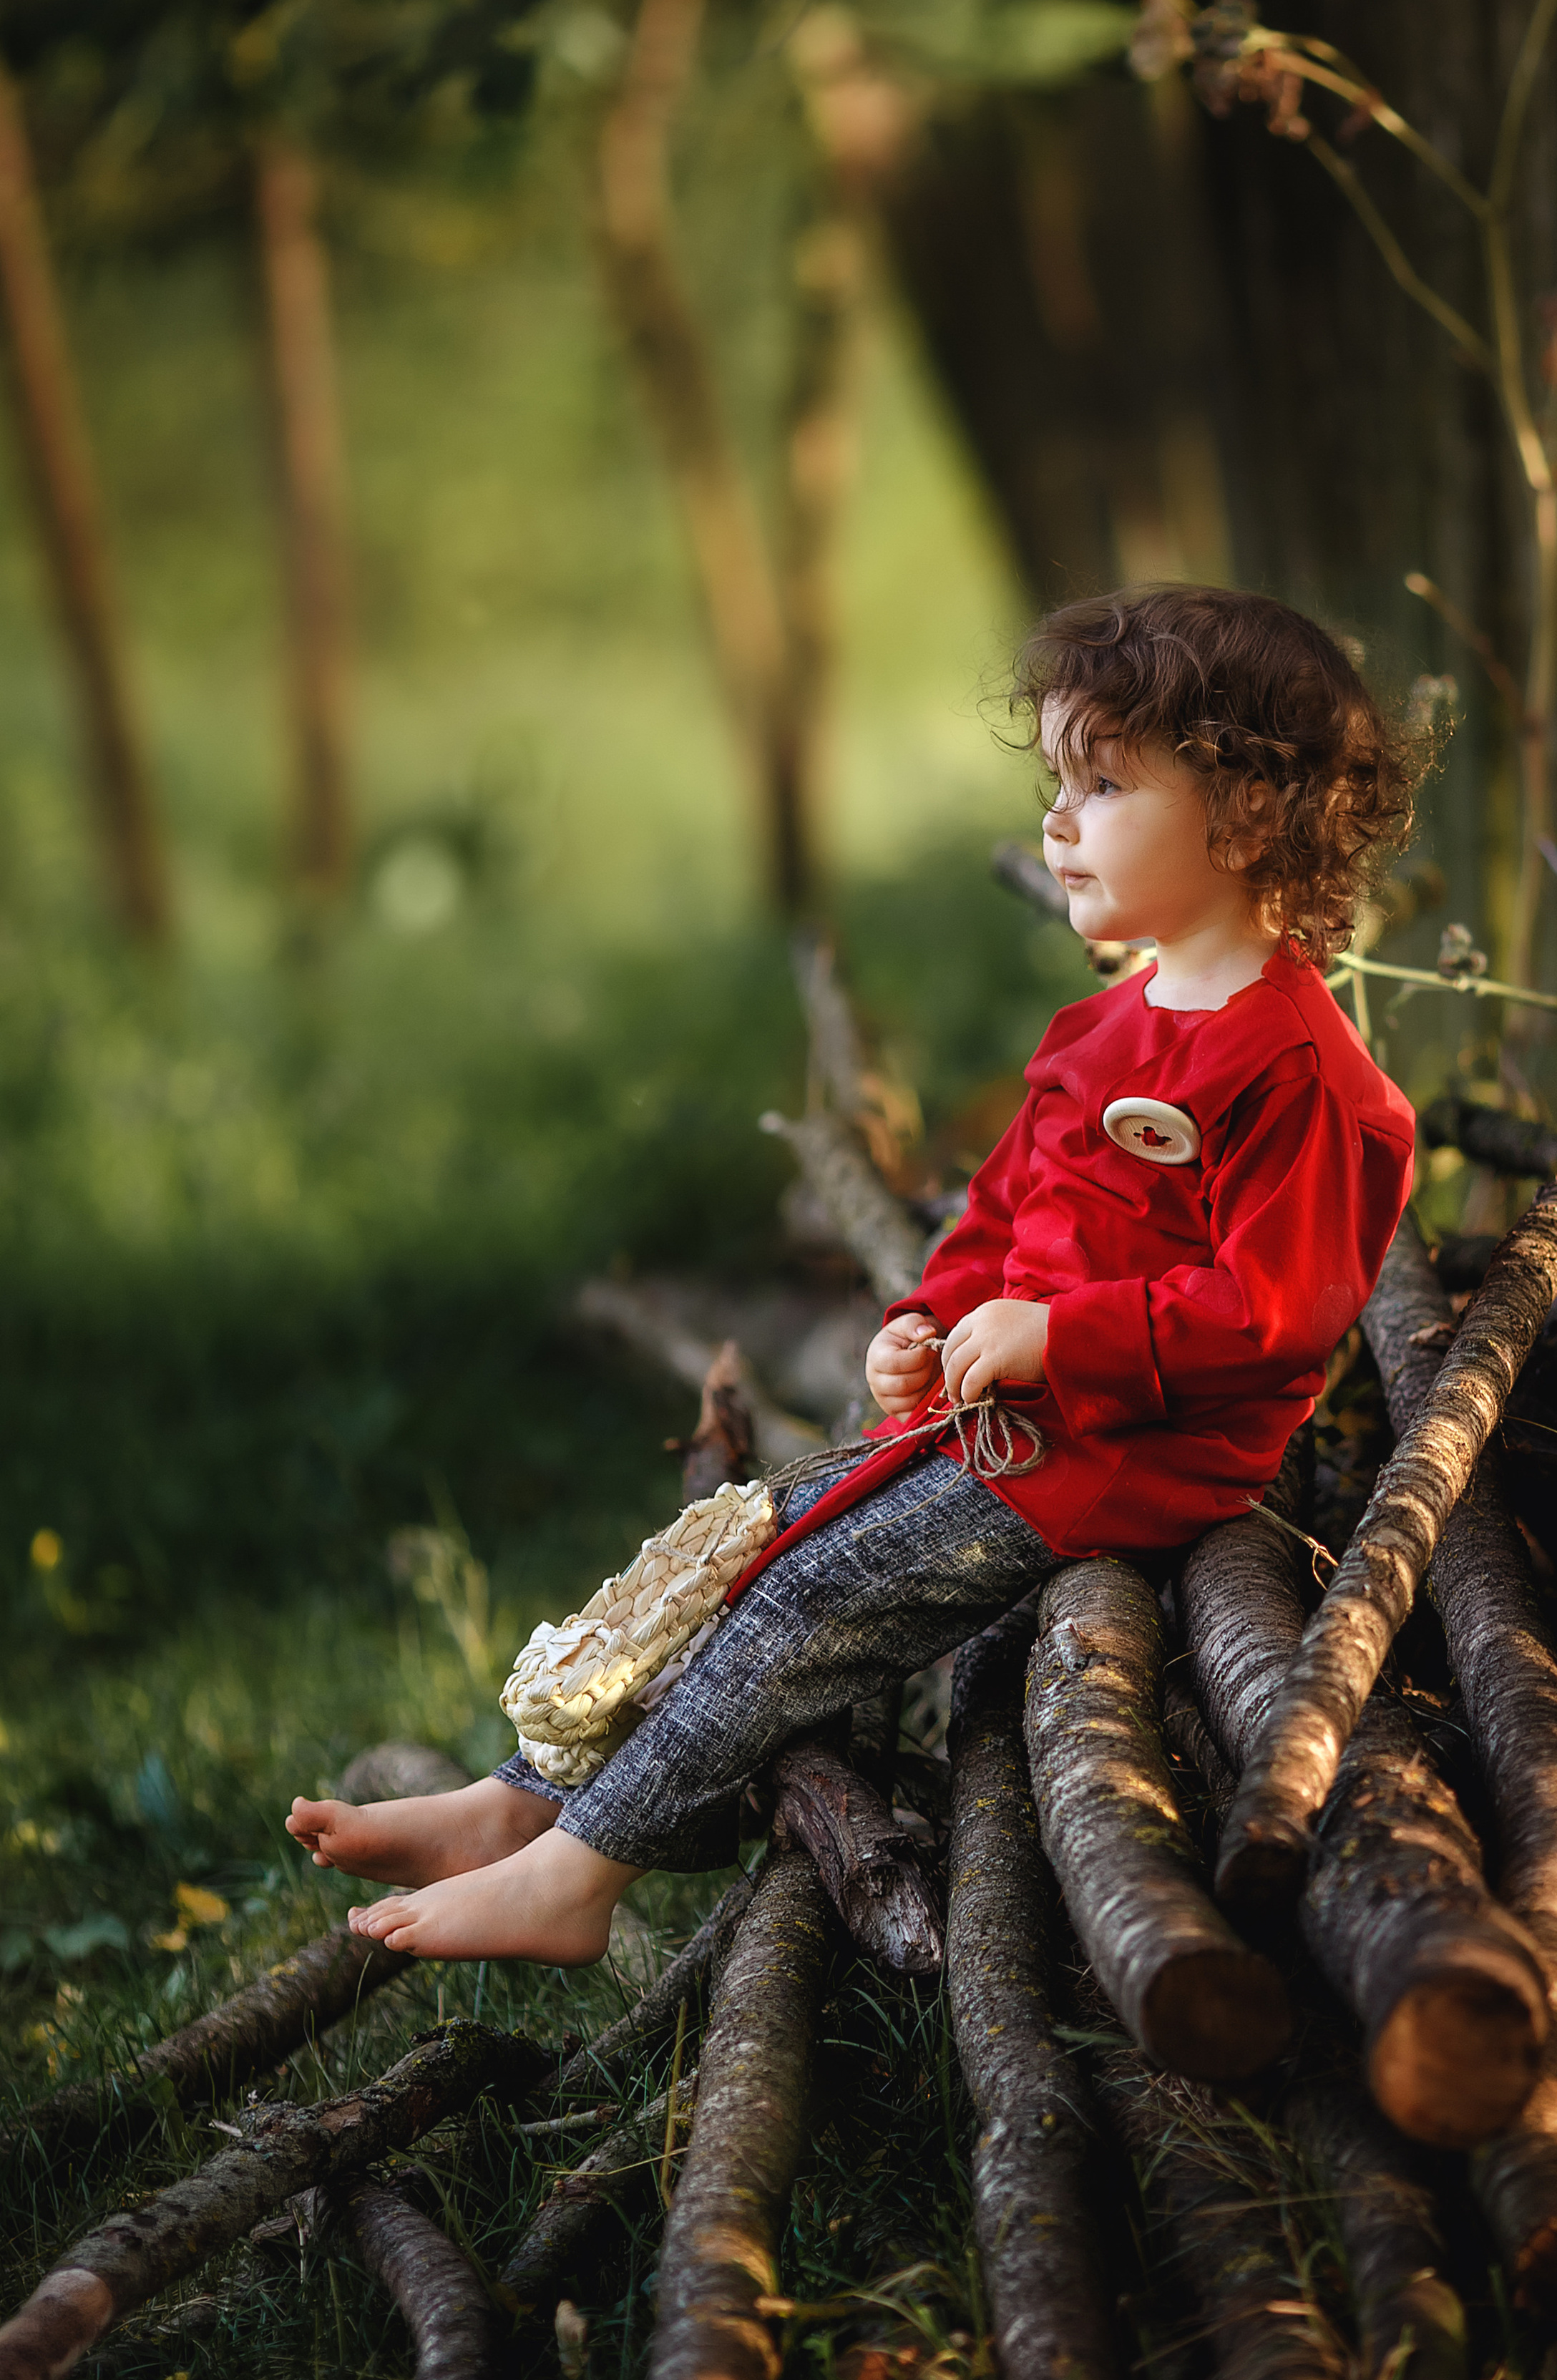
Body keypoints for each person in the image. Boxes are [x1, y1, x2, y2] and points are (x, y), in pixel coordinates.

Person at [284, 585, 1419, 1963]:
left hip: (1125, 1461)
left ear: (1245, 816)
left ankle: (577, 1881)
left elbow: (1278, 1314)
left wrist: (1064, 1340)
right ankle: (514, 1808)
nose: (1058, 819)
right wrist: (926, 1316)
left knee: (809, 1602)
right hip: (1008, 1421)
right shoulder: (1108, 1023)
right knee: (739, 1546)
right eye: (1058, 779)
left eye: (1105, 783)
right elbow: (1002, 1209)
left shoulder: (1304, 1074)